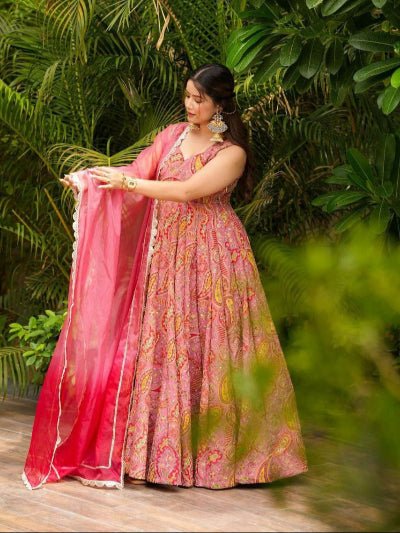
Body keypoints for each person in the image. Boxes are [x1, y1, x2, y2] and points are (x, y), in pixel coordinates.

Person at [22, 63, 308, 491]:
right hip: (166, 254)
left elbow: (188, 191)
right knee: (166, 345)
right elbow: (137, 172)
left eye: (199, 99)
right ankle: (159, 459)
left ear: (220, 105)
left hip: (214, 256)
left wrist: (127, 185)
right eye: (187, 96)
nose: (190, 105)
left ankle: (227, 459)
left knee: (214, 346)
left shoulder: (232, 153)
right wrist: (89, 183)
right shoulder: (171, 135)